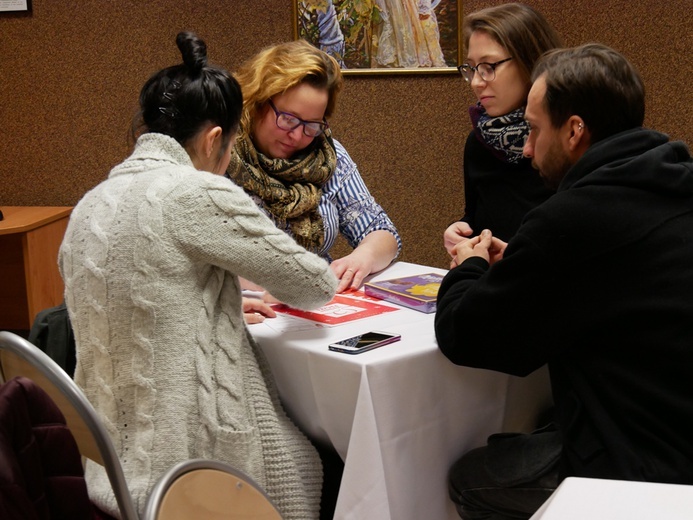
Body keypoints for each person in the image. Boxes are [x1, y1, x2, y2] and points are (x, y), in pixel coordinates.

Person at [59, 32, 338, 520]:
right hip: (188, 471)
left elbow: (147, 294)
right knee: (318, 457)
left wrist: (219, 302)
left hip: (105, 467)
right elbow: (315, 284)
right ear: (215, 139)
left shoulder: (89, 206)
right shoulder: (196, 192)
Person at [435, 43, 693, 519]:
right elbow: (612, 280)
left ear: (574, 130)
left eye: (534, 130)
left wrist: (469, 266)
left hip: (643, 464)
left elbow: (466, 335)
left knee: (472, 477)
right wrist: (524, 262)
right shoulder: (673, 180)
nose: (528, 148)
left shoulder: (573, 217)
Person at [225, 39, 401, 294]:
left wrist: (360, 259)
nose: (297, 136)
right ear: (258, 100)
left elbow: (381, 230)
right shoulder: (219, 153)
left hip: (318, 304)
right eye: (288, 119)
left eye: (311, 125)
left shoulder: (327, 155)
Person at [443, 3, 561, 262]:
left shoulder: (566, 141)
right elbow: (478, 219)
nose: (476, 82)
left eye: (488, 66)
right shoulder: (479, 142)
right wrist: (461, 234)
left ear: (529, 62)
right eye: (472, 68)